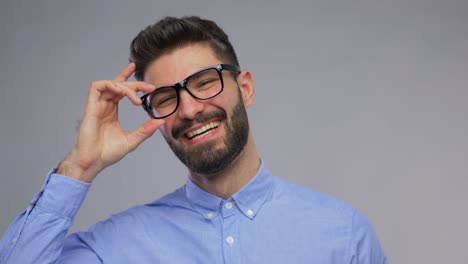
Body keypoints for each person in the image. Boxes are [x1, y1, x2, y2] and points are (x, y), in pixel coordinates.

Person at [0, 16, 388, 263]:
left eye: (205, 83)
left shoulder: (343, 234)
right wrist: (80, 165)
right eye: (167, 98)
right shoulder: (115, 246)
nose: (188, 110)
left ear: (246, 88)